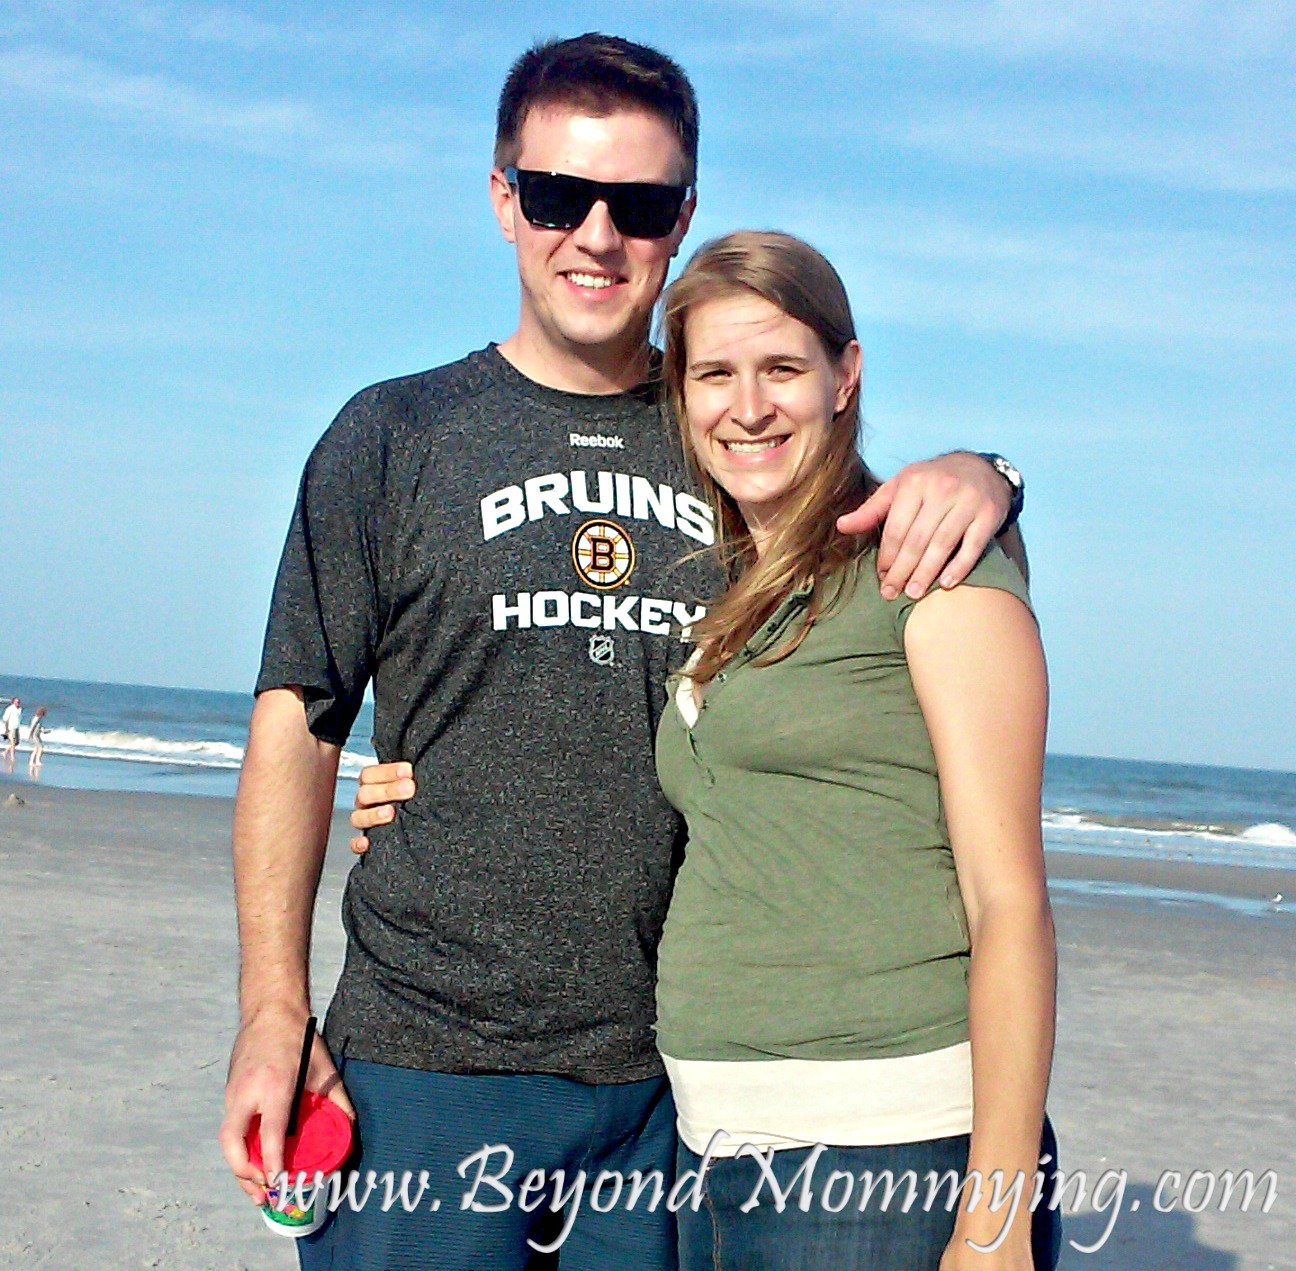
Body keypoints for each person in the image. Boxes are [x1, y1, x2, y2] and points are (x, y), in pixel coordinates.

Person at [221, 34, 1027, 1271]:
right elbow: (300, 715)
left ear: (682, 217)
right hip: (429, 1055)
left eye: (639, 205)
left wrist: (991, 473)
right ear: (504, 200)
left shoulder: (728, 435)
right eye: (558, 195)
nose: (596, 234)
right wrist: (273, 1009)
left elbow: (874, 544)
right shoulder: (394, 434)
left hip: (674, 1089)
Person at [355, 232, 1058, 1270]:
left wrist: (991, 1224)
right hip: (708, 1146)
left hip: (876, 1148)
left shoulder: (931, 575)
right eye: (715, 374)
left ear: (844, 376)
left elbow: (1015, 907)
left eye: (782, 368)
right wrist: (432, 788)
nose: (749, 405)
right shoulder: (728, 589)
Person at [27, 706, 47, 772]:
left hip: (37, 735)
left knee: (36, 748)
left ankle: (32, 761)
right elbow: (32, 726)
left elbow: (39, 727)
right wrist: (30, 734)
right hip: (34, 735)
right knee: (40, 747)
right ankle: (37, 761)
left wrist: (44, 731)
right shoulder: (36, 718)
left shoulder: (39, 718)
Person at [2, 698, 21, 762]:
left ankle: (5, 752)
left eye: (18, 702)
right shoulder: (9, 709)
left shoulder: (19, 709)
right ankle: (12, 757)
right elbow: (5, 719)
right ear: (13, 702)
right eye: (16, 702)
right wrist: (6, 729)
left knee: (17, 742)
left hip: (17, 727)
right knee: (12, 742)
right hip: (11, 728)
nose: (18, 703)